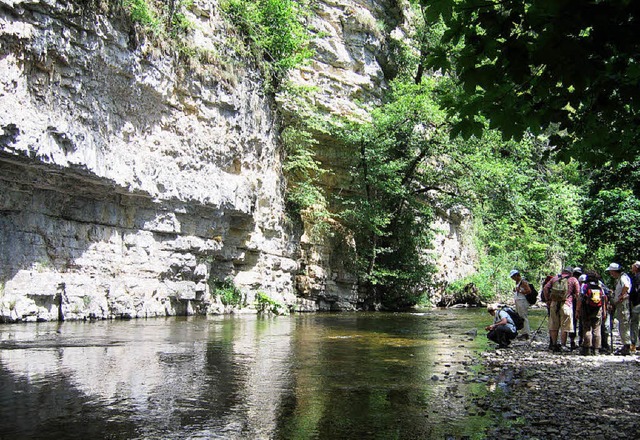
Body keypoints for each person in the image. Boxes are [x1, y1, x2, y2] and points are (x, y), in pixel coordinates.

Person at [543, 267, 580, 352]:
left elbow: (545, 288)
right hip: (566, 304)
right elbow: (578, 294)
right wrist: (578, 308)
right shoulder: (573, 279)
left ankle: (554, 344)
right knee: (565, 325)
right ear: (571, 272)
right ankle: (563, 345)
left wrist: (548, 300)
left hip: (554, 304)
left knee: (553, 325)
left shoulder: (555, 278)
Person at [576, 271, 606, 356]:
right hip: (598, 310)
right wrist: (604, 311)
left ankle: (587, 349)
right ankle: (596, 350)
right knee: (597, 329)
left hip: (586, 310)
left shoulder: (585, 286)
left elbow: (580, 299)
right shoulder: (600, 287)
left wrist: (577, 311)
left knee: (587, 328)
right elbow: (603, 299)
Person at [607, 262, 632, 355]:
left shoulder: (623, 278)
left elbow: (626, 286)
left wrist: (621, 296)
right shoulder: (620, 278)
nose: (610, 274)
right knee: (622, 323)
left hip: (623, 304)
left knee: (624, 324)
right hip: (620, 303)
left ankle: (627, 346)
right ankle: (625, 345)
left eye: (611, 272)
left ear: (614, 271)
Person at [510, 269, 531, 340]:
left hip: (522, 301)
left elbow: (528, 291)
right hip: (519, 301)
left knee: (523, 317)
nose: (512, 278)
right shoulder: (518, 282)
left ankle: (526, 334)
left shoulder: (523, 282)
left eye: (513, 277)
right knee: (520, 317)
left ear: (516, 275)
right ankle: (523, 332)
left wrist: (520, 291)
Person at [629, 261, 640, 354]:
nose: (631, 268)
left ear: (636, 267)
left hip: (637, 303)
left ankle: (634, 344)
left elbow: (634, 291)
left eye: (632, 266)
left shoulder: (636, 277)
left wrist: (631, 300)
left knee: (634, 324)